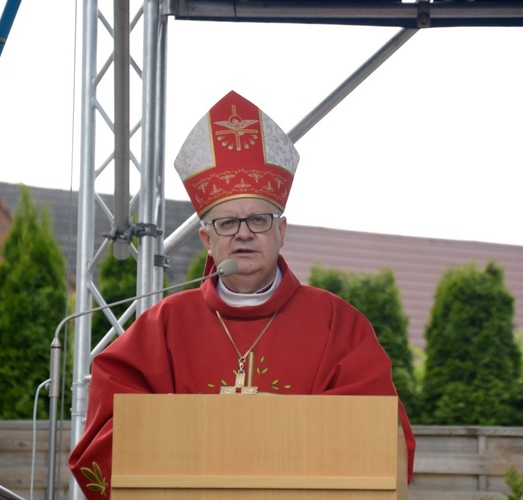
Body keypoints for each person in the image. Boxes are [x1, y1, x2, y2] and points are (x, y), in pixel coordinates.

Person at [68, 90, 416, 498]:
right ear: (206, 239)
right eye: (227, 223)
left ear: (281, 232)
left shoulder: (338, 325)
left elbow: (378, 437)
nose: (245, 232)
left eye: (259, 219)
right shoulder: (162, 326)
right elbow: (102, 443)